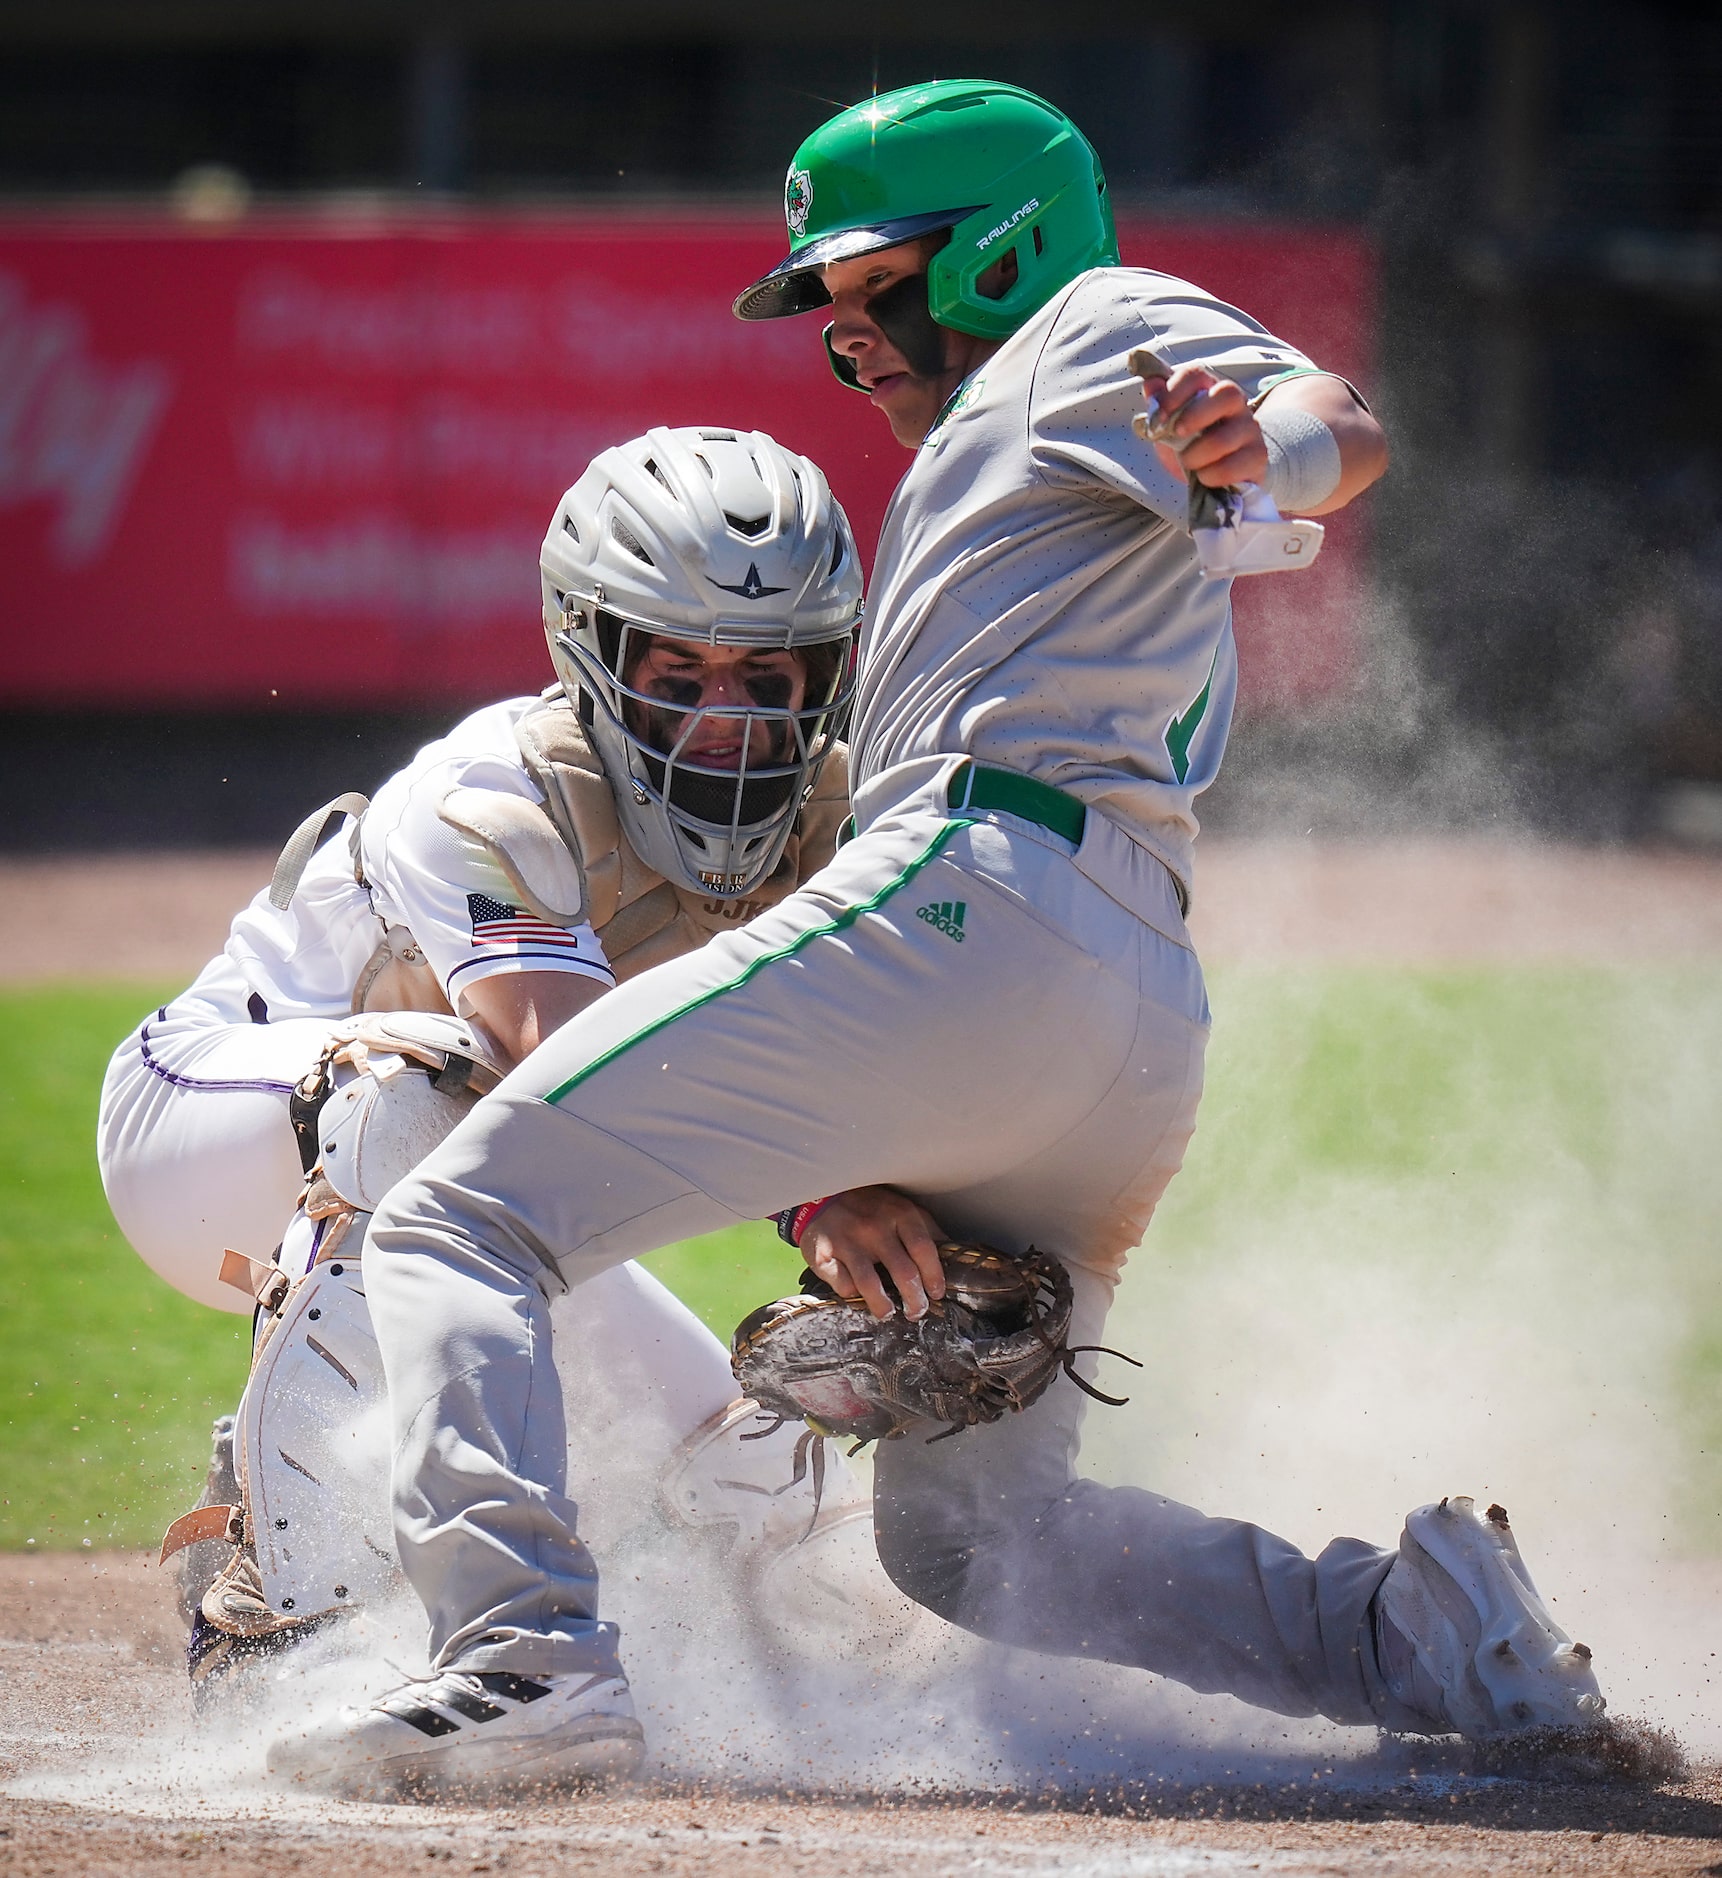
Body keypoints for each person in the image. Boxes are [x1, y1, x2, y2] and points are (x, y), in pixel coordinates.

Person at [267, 82, 1608, 1795]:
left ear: (1005, 244)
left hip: (975, 900)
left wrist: (1256, 439)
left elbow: (1329, 423)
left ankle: (518, 1647)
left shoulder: (1082, 327)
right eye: (824, 312)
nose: (847, 340)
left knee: (461, 1210)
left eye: (872, 283)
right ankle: (1411, 1638)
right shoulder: (1021, 440)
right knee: (974, 1537)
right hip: (1122, 1008)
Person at [98, 425, 914, 1704]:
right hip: (210, 1124)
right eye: (680, 665)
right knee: (421, 1082)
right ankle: (277, 1620)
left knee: (761, 1501)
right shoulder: (495, 792)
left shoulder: (841, 814)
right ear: (594, 652)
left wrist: (944, 1241)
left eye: (769, 672)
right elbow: (565, 1071)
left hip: (456, 1177)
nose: (727, 716)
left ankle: (734, 1714)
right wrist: (814, 1199)